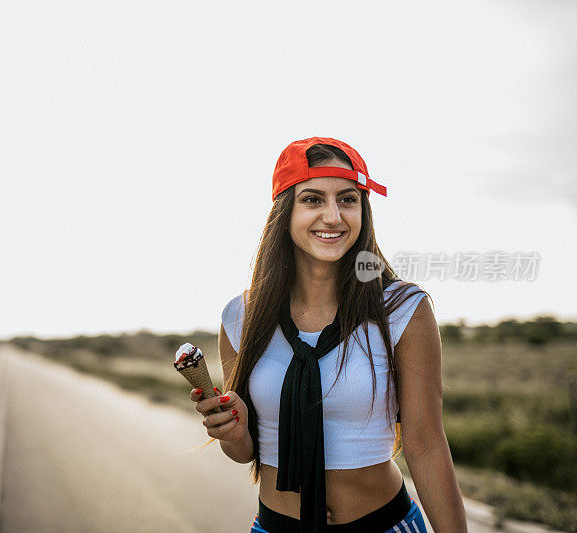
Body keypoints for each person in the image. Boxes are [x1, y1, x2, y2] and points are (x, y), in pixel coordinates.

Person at [190, 137, 467, 532]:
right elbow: (248, 451)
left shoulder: (402, 309)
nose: (334, 216)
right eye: (313, 199)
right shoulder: (242, 316)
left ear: (363, 210)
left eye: (348, 199)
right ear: (285, 211)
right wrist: (232, 432)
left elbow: (426, 445)